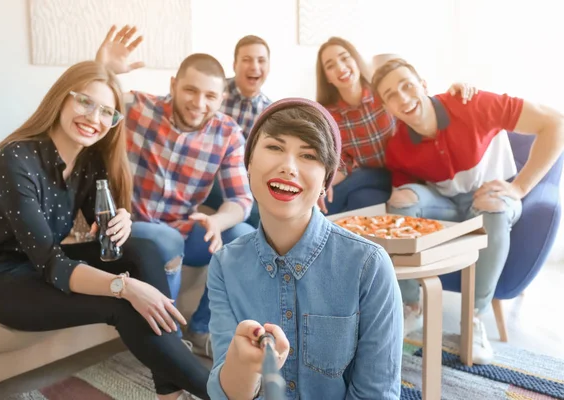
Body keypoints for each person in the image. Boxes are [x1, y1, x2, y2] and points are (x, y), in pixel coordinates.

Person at [0, 61, 210, 400]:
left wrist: (120, 217)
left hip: (40, 264)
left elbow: (103, 227)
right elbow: (53, 264)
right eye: (85, 102)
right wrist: (125, 287)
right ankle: (224, 393)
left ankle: (169, 391)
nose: (94, 118)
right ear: (61, 99)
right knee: (123, 304)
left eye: (107, 111)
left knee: (144, 249)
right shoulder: (15, 159)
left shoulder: (89, 160)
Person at [207, 98, 403, 399]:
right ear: (248, 164)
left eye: (308, 155)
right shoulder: (224, 265)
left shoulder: (369, 266)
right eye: (274, 147)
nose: (288, 166)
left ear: (326, 181)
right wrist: (244, 365)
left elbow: (376, 393)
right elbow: (226, 394)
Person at [371, 58, 564, 364]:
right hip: (448, 204)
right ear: (387, 108)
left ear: (423, 85)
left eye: (407, 85)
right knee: (401, 199)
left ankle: (473, 320)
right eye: (391, 95)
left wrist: (520, 189)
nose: (403, 98)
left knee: (491, 205)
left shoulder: (472, 104)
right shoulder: (399, 146)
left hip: (494, 197)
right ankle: (411, 307)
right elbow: (404, 202)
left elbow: (555, 122)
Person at [95, 25, 255, 358]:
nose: (199, 103)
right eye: (190, 91)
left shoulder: (227, 133)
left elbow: (241, 200)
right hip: (128, 229)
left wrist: (219, 222)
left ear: (221, 97)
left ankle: (200, 329)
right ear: (173, 85)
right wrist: (104, 69)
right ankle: (165, 342)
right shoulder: (138, 108)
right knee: (165, 239)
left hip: (183, 230)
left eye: (210, 96)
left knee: (245, 237)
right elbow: (94, 100)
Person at [316, 37, 476, 215]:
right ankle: (320, 217)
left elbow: (420, 104)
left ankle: (319, 215)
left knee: (361, 178)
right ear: (327, 78)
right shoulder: (330, 116)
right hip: (378, 182)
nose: (340, 67)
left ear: (356, 60)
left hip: (408, 173)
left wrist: (454, 92)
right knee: (360, 199)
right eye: (330, 66)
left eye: (345, 58)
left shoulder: (384, 93)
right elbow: (343, 164)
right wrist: (322, 183)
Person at [203, 35, 273, 228]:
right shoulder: (213, 92)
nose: (254, 67)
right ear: (234, 64)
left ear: (269, 67)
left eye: (261, 60)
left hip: (243, 182)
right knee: (260, 217)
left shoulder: (271, 112)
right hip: (206, 174)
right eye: (247, 59)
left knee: (273, 212)